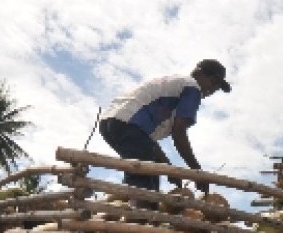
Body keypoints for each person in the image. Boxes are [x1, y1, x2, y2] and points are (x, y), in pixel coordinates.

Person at [98, 59, 231, 198]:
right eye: (213, 82)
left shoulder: (174, 84)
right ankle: (139, 215)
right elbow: (178, 132)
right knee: (146, 187)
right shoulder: (192, 87)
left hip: (110, 123)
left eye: (217, 87)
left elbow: (146, 141)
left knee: (145, 172)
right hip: (128, 125)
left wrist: (168, 169)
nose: (213, 89)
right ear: (198, 73)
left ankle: (133, 208)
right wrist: (197, 173)